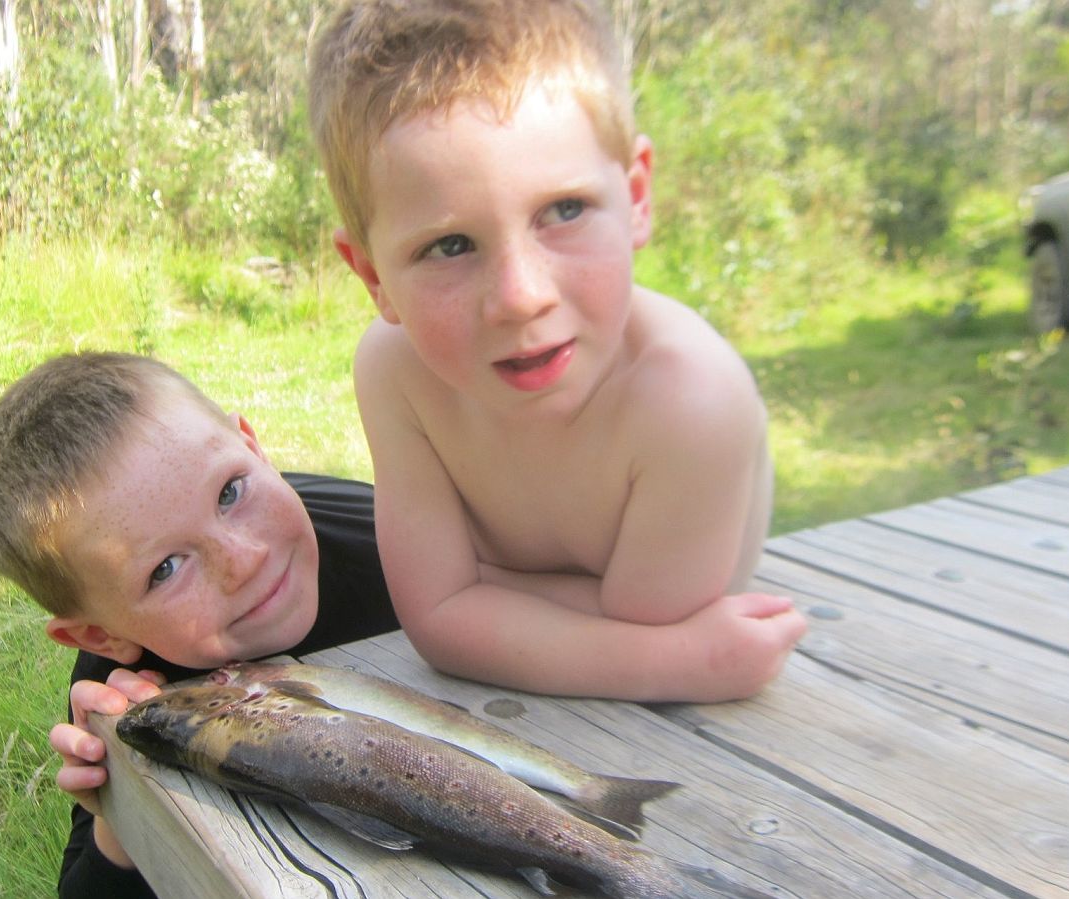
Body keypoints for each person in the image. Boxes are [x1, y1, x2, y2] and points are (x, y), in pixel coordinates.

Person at [311, 0, 807, 704]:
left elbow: (643, 631)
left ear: (634, 195)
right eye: (450, 246)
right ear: (372, 276)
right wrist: (675, 657)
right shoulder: (395, 372)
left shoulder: (692, 400)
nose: (520, 297)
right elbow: (439, 624)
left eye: (565, 210)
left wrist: (473, 591)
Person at [0, 351, 399, 899]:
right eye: (164, 570)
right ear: (101, 636)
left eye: (230, 492)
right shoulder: (136, 682)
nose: (244, 561)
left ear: (253, 447)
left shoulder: (398, 548)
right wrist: (122, 809)